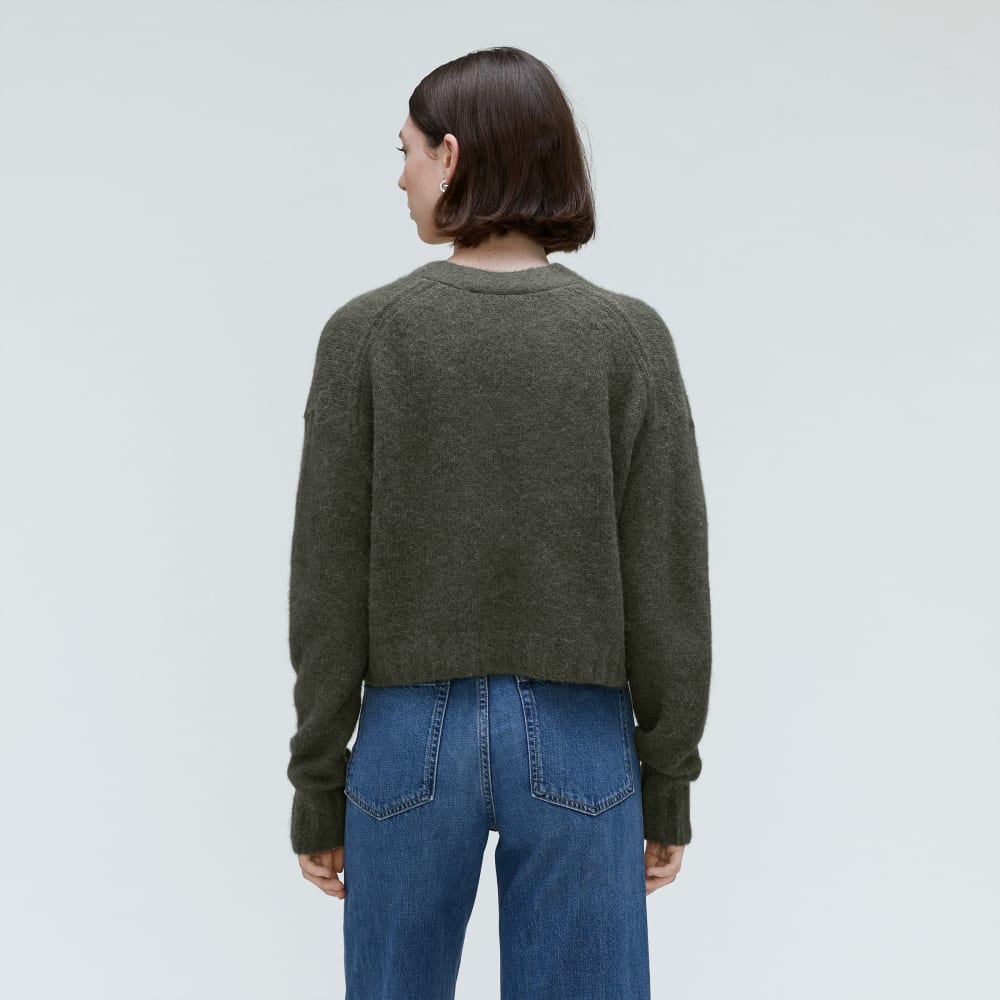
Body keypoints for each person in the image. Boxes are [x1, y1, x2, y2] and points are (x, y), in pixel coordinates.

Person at [286, 45, 712, 1000]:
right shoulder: (628, 339)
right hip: (581, 741)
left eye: (404, 152)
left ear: (451, 154)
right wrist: (667, 778)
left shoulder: (366, 335)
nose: (399, 177)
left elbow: (327, 579)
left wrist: (317, 782)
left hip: (406, 737)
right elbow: (669, 578)